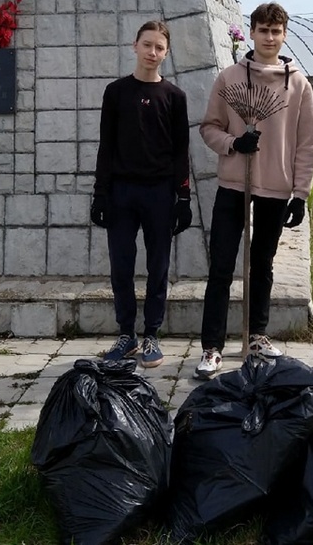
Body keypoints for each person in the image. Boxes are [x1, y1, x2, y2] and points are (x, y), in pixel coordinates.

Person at [194, 2, 313, 380]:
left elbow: (306, 143)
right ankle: (212, 346)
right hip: (235, 184)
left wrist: (301, 192)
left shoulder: (298, 84)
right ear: (251, 32)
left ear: (284, 35)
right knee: (221, 266)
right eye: (262, 30)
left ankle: (257, 336)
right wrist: (233, 143)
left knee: (262, 264)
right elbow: (208, 126)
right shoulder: (229, 78)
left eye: (275, 31)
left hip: (276, 189)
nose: (269, 37)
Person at [91, 20, 193, 368]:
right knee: (121, 265)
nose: (152, 52)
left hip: (160, 193)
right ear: (134, 46)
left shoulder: (175, 97)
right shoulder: (116, 92)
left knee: (158, 266)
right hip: (121, 192)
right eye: (147, 44)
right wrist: (100, 194)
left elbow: (182, 151)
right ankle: (126, 335)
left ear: (166, 53)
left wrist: (183, 198)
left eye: (159, 47)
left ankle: (151, 334)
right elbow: (106, 145)